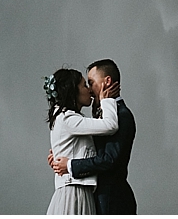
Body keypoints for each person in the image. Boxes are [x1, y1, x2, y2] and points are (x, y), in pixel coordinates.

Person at [48, 59, 137, 214]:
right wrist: (63, 152)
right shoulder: (90, 116)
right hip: (92, 197)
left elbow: (109, 159)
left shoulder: (122, 115)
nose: (89, 89)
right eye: (85, 84)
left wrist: (70, 165)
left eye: (90, 82)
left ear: (107, 81)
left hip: (111, 201)